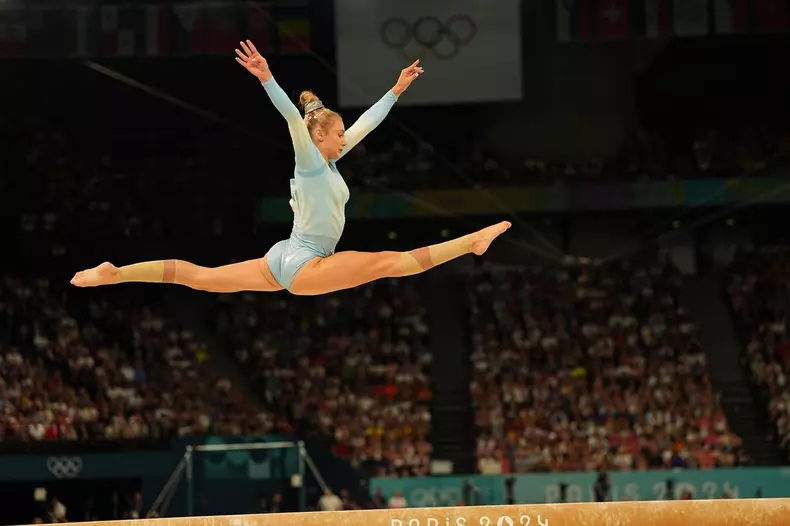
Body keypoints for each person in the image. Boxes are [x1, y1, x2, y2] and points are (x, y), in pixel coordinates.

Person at [71, 40, 510, 295]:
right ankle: (471, 242)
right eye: (338, 136)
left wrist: (395, 90)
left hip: (283, 256)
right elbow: (288, 115)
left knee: (199, 277)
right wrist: (266, 78)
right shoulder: (309, 159)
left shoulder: (329, 159)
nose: (344, 140)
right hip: (304, 263)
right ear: (319, 136)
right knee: (386, 264)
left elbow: (366, 124)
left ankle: (117, 273)